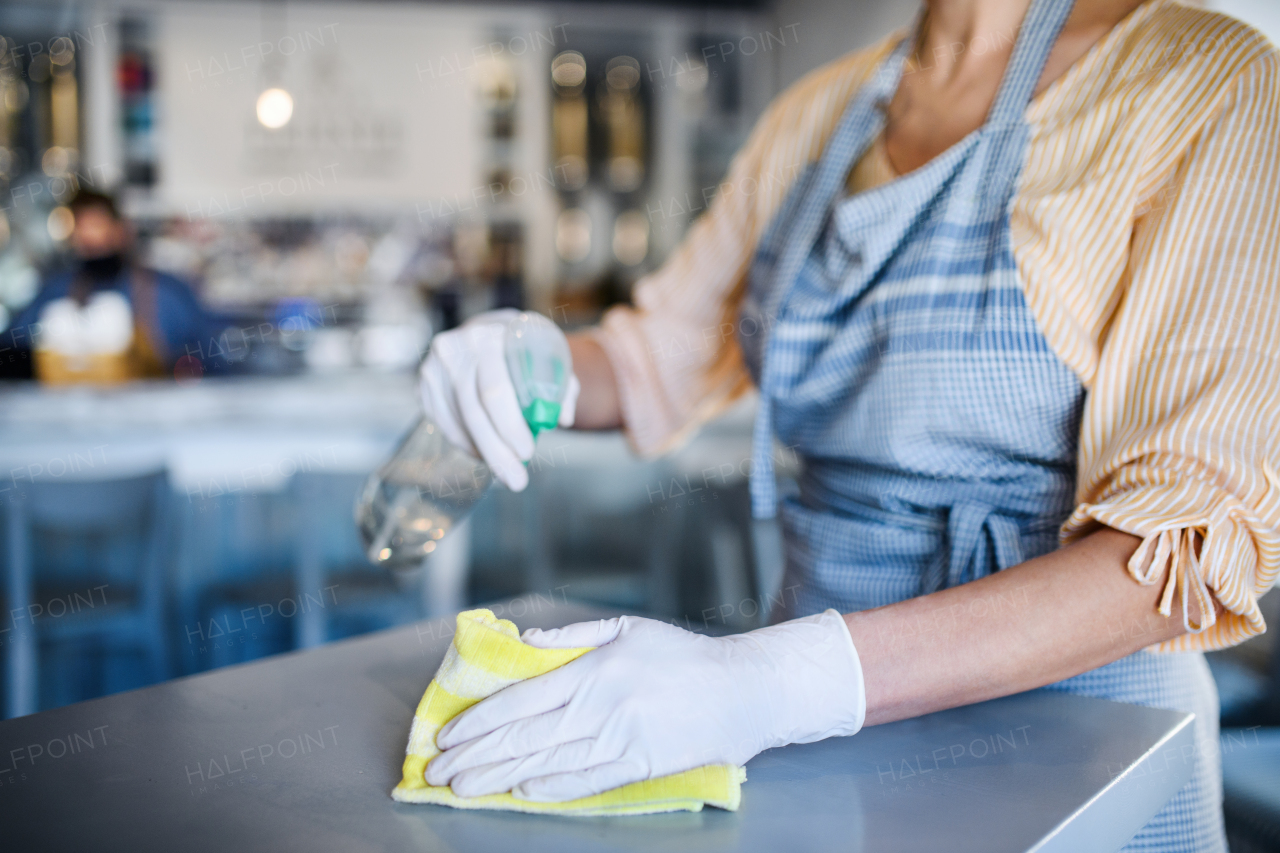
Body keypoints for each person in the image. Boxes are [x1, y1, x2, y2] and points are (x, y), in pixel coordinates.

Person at [416, 0, 1280, 849]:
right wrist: (537, 362)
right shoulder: (819, 113)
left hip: (1086, 758)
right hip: (814, 753)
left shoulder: (1205, 80)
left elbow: (1177, 555)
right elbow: (653, 357)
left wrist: (770, 684)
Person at [0, 189, 219, 382]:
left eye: (97, 228)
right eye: (82, 231)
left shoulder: (168, 294)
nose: (90, 239)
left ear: (121, 230)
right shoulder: (56, 291)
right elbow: (12, 348)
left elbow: (212, 360)